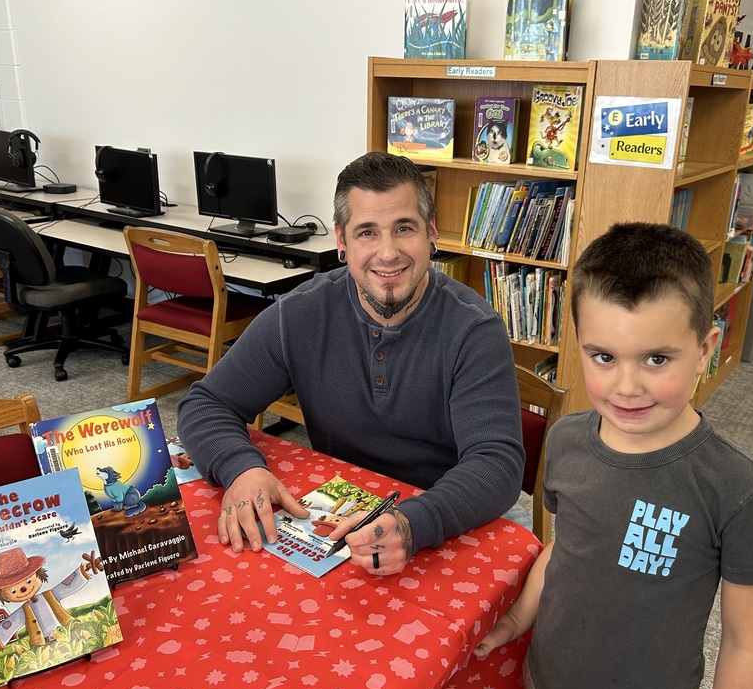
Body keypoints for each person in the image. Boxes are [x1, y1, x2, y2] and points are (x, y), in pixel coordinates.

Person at [474, 222, 753, 689]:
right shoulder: (569, 439)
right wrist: (513, 621)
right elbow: (564, 548)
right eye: (603, 356)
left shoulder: (738, 490)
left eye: (657, 358)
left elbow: (747, 645)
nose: (626, 386)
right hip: (546, 687)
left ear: (706, 347)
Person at [178, 151, 524, 576]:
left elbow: (497, 464)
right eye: (367, 233)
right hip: (337, 524)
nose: (388, 252)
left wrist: (414, 523)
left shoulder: (475, 330)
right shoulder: (301, 313)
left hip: (441, 523)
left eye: (404, 228)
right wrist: (241, 469)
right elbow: (207, 403)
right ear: (341, 241)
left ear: (431, 232)